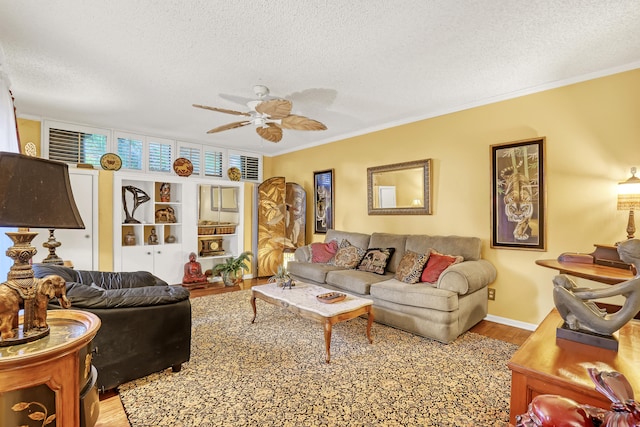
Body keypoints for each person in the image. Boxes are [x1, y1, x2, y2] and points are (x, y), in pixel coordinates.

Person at [553, 238, 640, 335]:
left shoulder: (636, 283)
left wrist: (569, 296)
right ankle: (572, 317)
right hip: (609, 320)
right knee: (563, 287)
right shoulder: (637, 279)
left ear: (632, 254)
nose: (620, 258)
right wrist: (572, 292)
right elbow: (591, 292)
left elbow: (593, 294)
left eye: (621, 254)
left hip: (608, 325)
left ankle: (569, 318)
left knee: (558, 291)